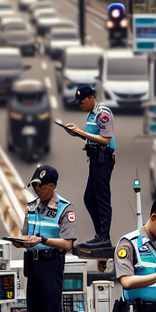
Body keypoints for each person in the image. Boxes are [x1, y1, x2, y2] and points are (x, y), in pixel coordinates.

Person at [10, 165, 77, 312]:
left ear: (52, 186)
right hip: (33, 264)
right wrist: (20, 242)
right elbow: (24, 234)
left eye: (40, 186)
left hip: (51, 265)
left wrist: (43, 240)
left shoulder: (65, 209)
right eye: (34, 185)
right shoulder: (31, 208)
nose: (37, 189)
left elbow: (68, 244)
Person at [62, 86, 114, 257]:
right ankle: (100, 235)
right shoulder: (92, 114)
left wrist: (81, 132)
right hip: (93, 158)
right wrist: (76, 134)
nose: (80, 105)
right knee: (89, 197)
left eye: (82, 101)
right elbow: (92, 136)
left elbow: (106, 139)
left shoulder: (102, 113)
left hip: (102, 158)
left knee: (101, 198)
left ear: (91, 98)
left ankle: (104, 237)